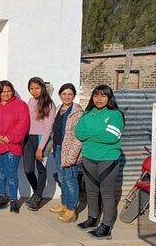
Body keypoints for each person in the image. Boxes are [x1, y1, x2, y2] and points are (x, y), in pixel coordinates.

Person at [75, 85, 124, 239]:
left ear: (109, 98)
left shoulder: (115, 115)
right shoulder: (88, 113)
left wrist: (89, 135)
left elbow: (111, 137)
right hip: (89, 157)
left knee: (107, 193)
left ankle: (106, 226)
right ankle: (92, 218)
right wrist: (98, 133)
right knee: (91, 190)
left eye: (103, 96)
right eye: (96, 95)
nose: (99, 99)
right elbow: (78, 133)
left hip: (107, 159)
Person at [0, 80, 30, 214]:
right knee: (0, 174)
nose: (6, 94)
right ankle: (2, 196)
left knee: (11, 174)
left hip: (12, 145)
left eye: (9, 91)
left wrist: (9, 137)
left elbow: (23, 123)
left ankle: (13, 200)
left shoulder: (20, 105)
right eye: (3, 91)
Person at [48, 83, 84, 222]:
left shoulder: (77, 112)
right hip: (58, 148)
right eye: (64, 94)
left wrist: (73, 155)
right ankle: (64, 204)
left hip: (70, 152)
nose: (67, 96)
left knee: (70, 180)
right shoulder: (58, 109)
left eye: (70, 94)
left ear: (74, 96)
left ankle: (71, 210)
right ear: (60, 95)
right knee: (62, 179)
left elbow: (79, 137)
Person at [24, 77, 56, 211]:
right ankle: (37, 191)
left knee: (41, 170)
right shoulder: (30, 101)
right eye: (32, 88)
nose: (34, 91)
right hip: (29, 138)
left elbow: (48, 128)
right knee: (28, 170)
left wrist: (40, 148)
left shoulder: (49, 103)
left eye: (37, 88)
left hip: (41, 139)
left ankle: (37, 197)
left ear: (42, 87)